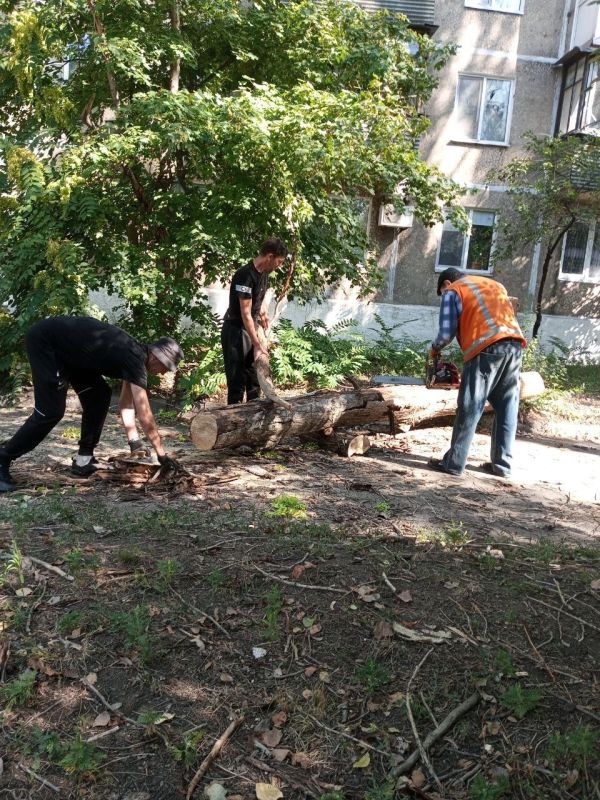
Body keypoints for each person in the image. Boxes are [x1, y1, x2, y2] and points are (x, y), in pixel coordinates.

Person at [0, 316, 184, 492]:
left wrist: (134, 442)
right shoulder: (135, 360)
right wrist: (161, 454)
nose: (163, 374)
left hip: (73, 354)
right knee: (50, 412)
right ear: (156, 357)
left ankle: (84, 460)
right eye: (165, 368)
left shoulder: (135, 359)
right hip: (47, 342)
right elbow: (144, 414)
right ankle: (3, 458)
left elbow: (126, 405)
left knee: (99, 395)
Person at [428, 268, 527, 477]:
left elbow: (446, 332)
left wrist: (435, 349)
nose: (443, 295)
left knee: (470, 405)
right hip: (514, 345)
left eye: (442, 291)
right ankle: (502, 465)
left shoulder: (453, 291)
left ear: (446, 283)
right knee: (506, 405)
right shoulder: (495, 285)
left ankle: (454, 464)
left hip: (486, 348)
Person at [221, 237, 288, 404]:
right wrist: (257, 345)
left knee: (254, 378)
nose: (279, 266)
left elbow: (259, 299)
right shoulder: (245, 276)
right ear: (269, 257)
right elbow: (245, 314)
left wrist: (263, 313)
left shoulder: (264, 273)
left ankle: (254, 421)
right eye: (279, 261)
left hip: (251, 327)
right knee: (237, 381)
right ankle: (233, 422)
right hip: (236, 331)